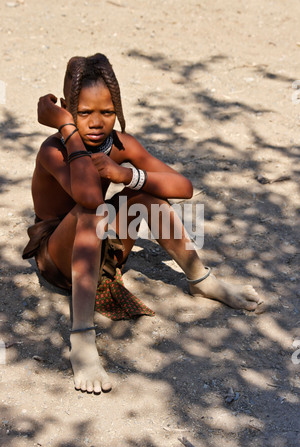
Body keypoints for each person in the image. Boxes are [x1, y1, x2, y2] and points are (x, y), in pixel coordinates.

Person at [22, 53, 263, 394]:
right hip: (58, 257)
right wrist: (66, 130)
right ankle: (81, 336)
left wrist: (126, 174)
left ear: (117, 110)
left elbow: (184, 187)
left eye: (106, 112)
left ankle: (201, 280)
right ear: (64, 109)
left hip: (99, 247)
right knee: (91, 211)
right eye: (83, 113)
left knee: (149, 198)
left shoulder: (120, 145)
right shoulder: (53, 150)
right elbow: (89, 198)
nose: (95, 122)